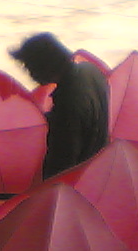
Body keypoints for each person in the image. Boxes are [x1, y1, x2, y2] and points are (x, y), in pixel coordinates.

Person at [10, 31, 110, 179]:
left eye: (29, 67)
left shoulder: (67, 104)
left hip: (78, 180)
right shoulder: (90, 71)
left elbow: (62, 162)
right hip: (97, 170)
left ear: (44, 66)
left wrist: (46, 187)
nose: (29, 74)